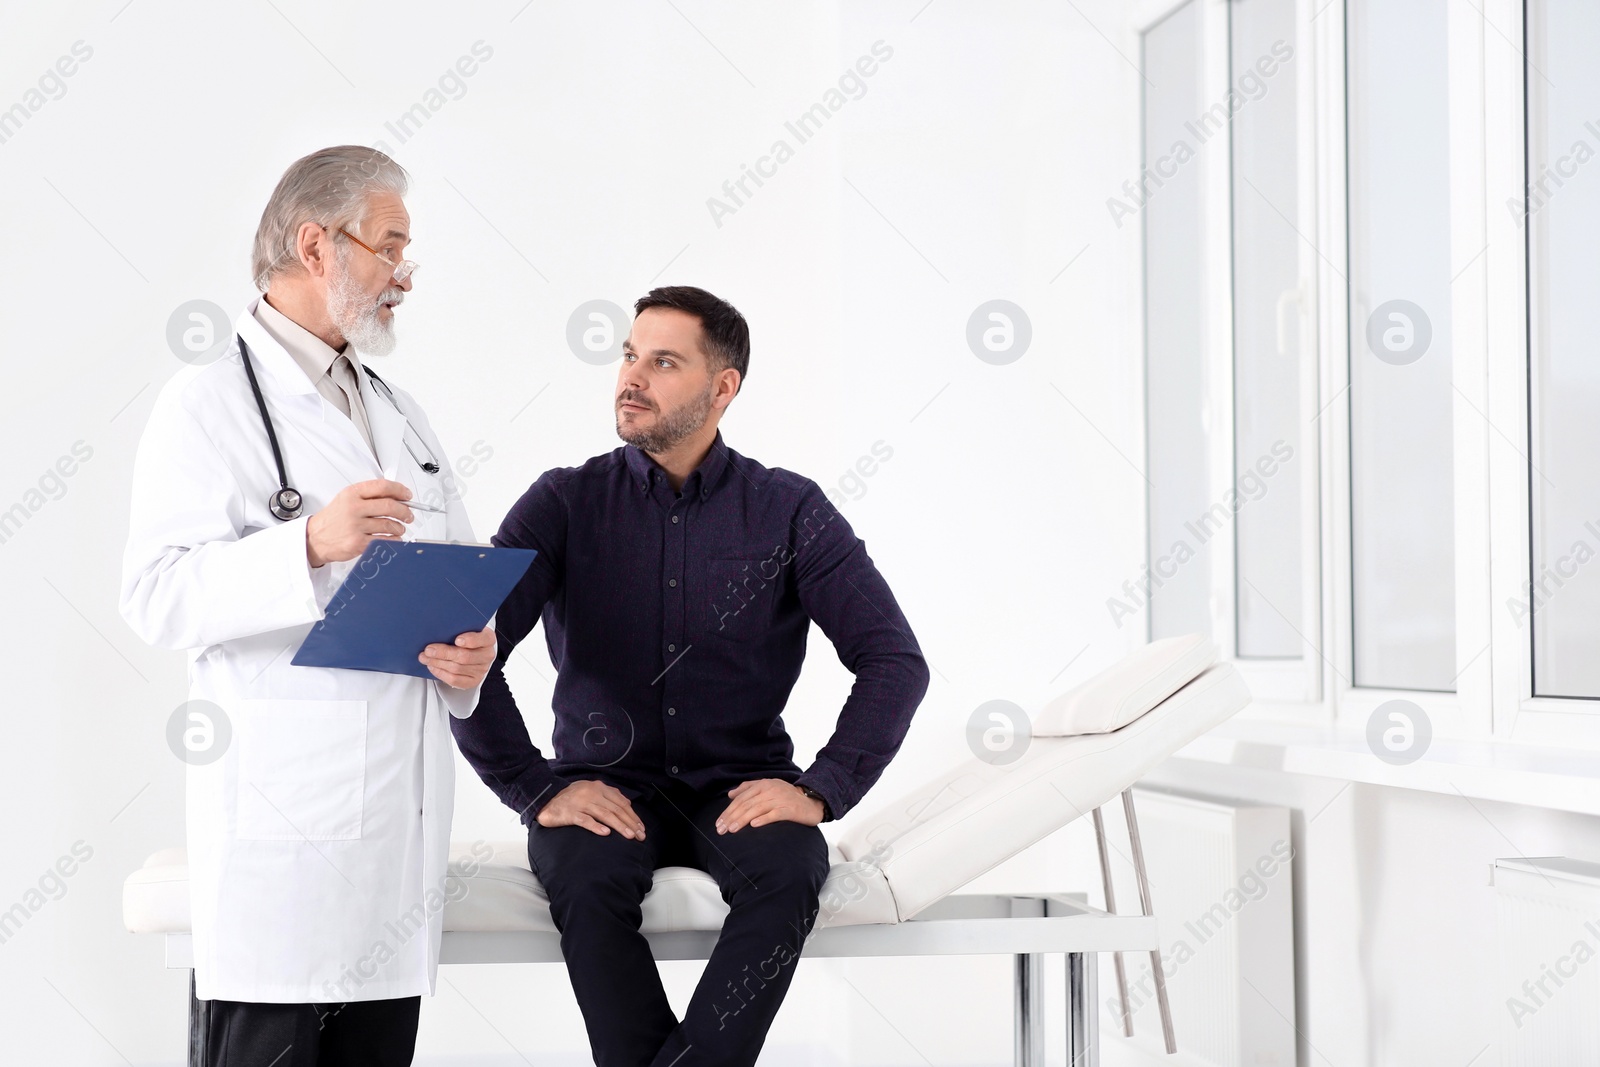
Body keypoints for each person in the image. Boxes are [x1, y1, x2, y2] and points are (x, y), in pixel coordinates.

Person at [450, 286, 930, 1067]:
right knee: (584, 876)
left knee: (788, 871)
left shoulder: (790, 510)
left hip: (740, 785)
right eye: (629, 356)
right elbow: (468, 645)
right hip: (603, 783)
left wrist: (821, 788)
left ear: (722, 388)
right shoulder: (564, 502)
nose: (630, 378)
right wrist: (537, 790)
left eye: (663, 361)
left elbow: (895, 661)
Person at [120, 145, 496, 1066]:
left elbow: (461, 578)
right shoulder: (205, 402)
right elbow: (155, 597)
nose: (404, 275)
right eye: (390, 245)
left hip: (394, 857)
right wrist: (308, 544)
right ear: (316, 243)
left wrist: (471, 660)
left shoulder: (400, 412)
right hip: (280, 853)